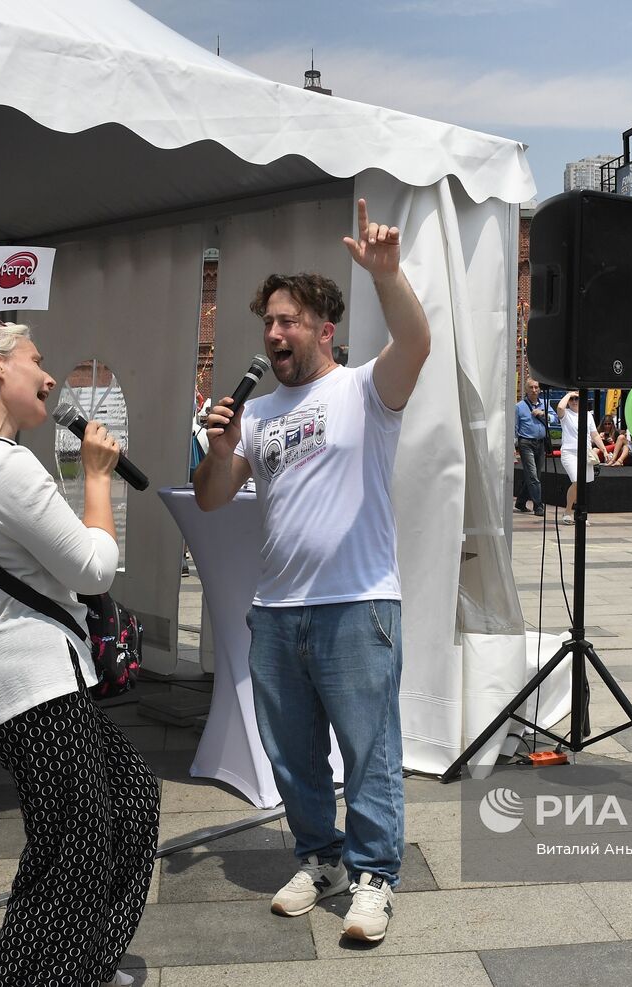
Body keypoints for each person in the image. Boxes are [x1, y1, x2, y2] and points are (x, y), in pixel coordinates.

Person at [192, 199, 428, 943]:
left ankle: (374, 877)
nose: (274, 333)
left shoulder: (363, 390)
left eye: (289, 320)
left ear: (325, 330)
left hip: (357, 603)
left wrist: (387, 276)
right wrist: (221, 444)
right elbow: (211, 496)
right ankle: (319, 856)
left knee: (369, 751)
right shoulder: (256, 415)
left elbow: (417, 343)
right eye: (268, 321)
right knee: (293, 756)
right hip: (278, 610)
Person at [0, 318, 157, 987]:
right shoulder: (0, 465)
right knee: (71, 844)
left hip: (8, 676)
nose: (50, 376)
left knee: (128, 799)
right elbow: (94, 568)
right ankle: (33, 976)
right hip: (30, 678)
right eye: (37, 361)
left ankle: (82, 964)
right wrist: (98, 476)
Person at [556, 389, 608, 525]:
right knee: (576, 480)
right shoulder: (566, 414)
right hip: (569, 452)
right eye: (572, 399)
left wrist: (604, 450)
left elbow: (594, 434)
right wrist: (569, 394)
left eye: (577, 399)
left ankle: (580, 513)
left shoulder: (588, 415)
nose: (574, 401)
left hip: (585, 453)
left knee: (582, 485)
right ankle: (567, 512)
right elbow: (560, 407)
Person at [514, 377, 547, 517]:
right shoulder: (519, 407)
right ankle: (538, 505)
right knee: (533, 475)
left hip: (540, 443)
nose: (534, 390)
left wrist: (543, 413)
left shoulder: (544, 404)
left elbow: (556, 418)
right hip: (526, 443)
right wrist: (513, 448)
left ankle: (521, 501)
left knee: (535, 475)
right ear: (526, 390)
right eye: (531, 388)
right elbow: (514, 428)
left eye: (536, 387)